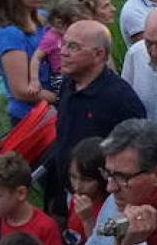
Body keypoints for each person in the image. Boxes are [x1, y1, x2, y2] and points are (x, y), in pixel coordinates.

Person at [41, 21, 146, 219]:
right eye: (63, 44)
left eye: (73, 47)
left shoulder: (120, 99)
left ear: (99, 54)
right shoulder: (68, 85)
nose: (62, 52)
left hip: (104, 207)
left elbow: (136, 157)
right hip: (66, 197)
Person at [0, 0, 55, 123]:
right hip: (31, 117)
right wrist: (58, 98)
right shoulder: (10, 34)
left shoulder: (43, 18)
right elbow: (21, 90)